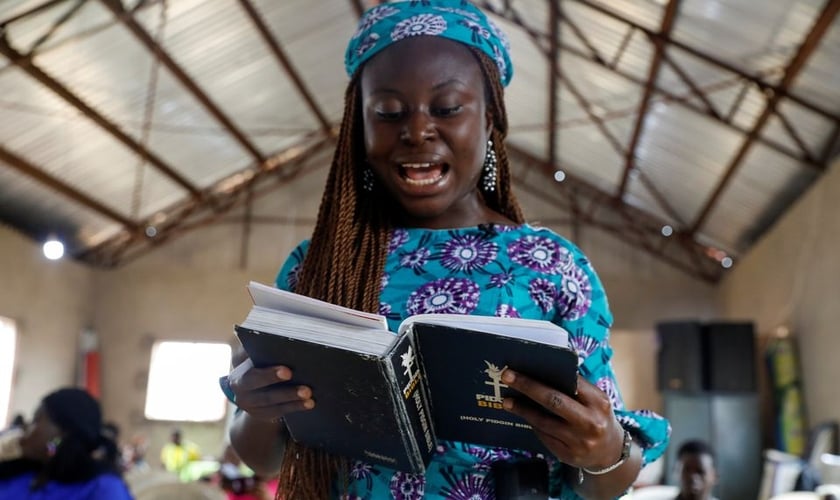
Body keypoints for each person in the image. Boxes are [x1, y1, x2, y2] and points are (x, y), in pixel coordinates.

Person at [223, 1, 670, 498]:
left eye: (448, 108)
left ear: (489, 119)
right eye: (389, 112)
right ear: (360, 127)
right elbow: (262, 457)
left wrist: (605, 450)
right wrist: (258, 407)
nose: (416, 130)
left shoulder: (553, 268)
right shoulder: (318, 269)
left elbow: (608, 479)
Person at [0, 387, 133, 499]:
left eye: (36, 420)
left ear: (62, 432)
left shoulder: (101, 488)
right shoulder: (20, 474)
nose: (26, 429)